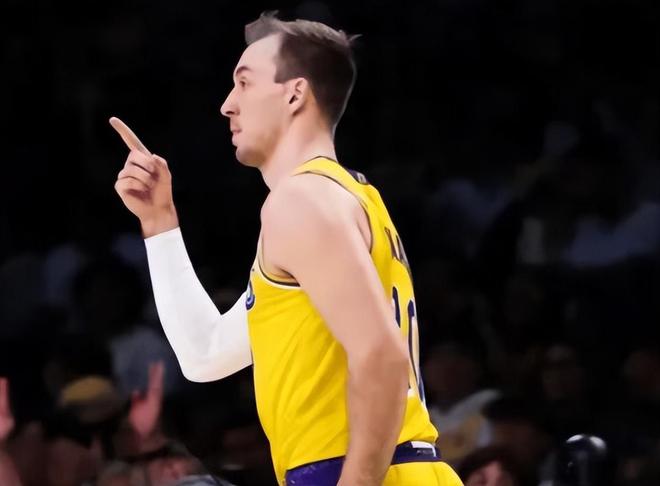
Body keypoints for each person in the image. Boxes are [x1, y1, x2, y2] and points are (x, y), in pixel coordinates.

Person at [111, 11, 463, 486]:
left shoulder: (300, 201)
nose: (227, 105)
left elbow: (382, 357)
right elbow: (205, 355)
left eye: (243, 83)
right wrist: (159, 223)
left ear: (295, 94)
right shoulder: (344, 198)